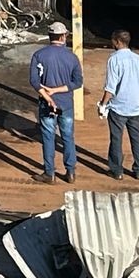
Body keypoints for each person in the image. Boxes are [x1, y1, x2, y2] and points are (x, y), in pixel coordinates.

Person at [29, 21, 83, 184]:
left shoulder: (39, 55)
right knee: (67, 137)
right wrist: (58, 91)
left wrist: (48, 97)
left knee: (48, 136)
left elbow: (34, 81)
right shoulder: (72, 57)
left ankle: (49, 173)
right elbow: (78, 82)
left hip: (47, 106)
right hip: (65, 104)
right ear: (63, 36)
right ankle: (70, 172)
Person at [98, 29, 139, 181]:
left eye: (113, 41)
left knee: (116, 139)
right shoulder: (138, 59)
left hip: (118, 108)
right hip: (136, 107)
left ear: (117, 42)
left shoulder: (114, 59)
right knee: (136, 138)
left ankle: (117, 170)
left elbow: (110, 87)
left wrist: (103, 104)